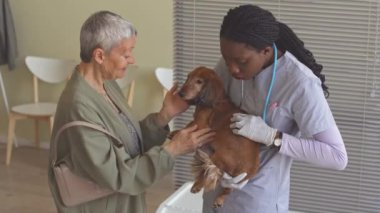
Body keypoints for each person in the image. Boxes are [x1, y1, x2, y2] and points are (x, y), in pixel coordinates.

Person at [47, 11, 215, 213]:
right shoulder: (78, 107)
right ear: (100, 55)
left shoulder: (106, 85)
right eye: (126, 54)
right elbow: (119, 175)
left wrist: (164, 116)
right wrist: (173, 150)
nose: (132, 59)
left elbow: (127, 145)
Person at [202, 4, 348, 213]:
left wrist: (274, 137)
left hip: (259, 199)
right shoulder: (230, 64)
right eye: (226, 60)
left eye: (241, 61)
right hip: (216, 185)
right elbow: (210, 110)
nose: (232, 69)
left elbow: (336, 156)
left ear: (266, 51)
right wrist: (207, 154)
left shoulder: (300, 83)